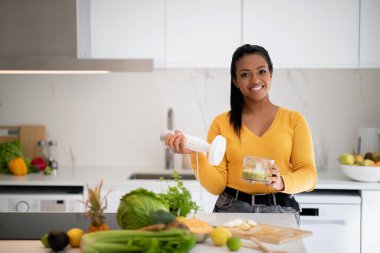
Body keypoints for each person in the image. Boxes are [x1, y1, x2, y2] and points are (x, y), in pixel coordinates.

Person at [164, 44, 317, 224]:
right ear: (235, 81)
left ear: (271, 74)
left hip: (280, 211)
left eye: (261, 71)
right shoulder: (221, 123)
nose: (255, 80)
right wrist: (195, 154)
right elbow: (216, 186)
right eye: (245, 74)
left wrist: (282, 181)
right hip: (231, 210)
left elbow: (309, 175)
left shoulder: (294, 120)